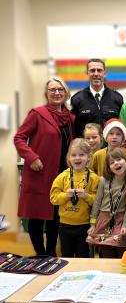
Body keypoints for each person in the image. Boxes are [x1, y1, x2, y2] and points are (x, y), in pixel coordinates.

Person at [14, 76, 74, 256]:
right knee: (37, 215)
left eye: (60, 89)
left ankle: (51, 252)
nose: (56, 93)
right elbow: (19, 138)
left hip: (62, 173)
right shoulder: (37, 114)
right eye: (52, 90)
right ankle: (40, 253)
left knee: (56, 214)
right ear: (46, 93)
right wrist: (31, 157)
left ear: (65, 93)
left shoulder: (70, 117)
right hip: (40, 172)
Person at [50, 139, 100, 257]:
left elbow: (98, 201)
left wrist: (86, 196)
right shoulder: (62, 177)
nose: (77, 158)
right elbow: (53, 198)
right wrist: (66, 195)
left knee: (83, 256)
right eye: (73, 155)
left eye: (81, 155)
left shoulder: (94, 178)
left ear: (88, 157)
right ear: (69, 158)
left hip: (84, 225)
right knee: (66, 256)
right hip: (64, 225)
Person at [87, 148, 126, 258]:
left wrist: (125, 224)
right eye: (112, 163)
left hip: (120, 220)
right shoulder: (104, 180)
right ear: (109, 168)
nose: (116, 163)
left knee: (121, 251)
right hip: (103, 219)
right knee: (107, 253)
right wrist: (92, 224)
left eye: (119, 159)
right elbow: (97, 202)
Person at [71, 59, 123, 137]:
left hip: (109, 144)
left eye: (99, 70)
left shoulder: (117, 98)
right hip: (86, 144)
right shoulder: (77, 99)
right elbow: (74, 129)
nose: (96, 74)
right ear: (87, 73)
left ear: (104, 73)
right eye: (92, 70)